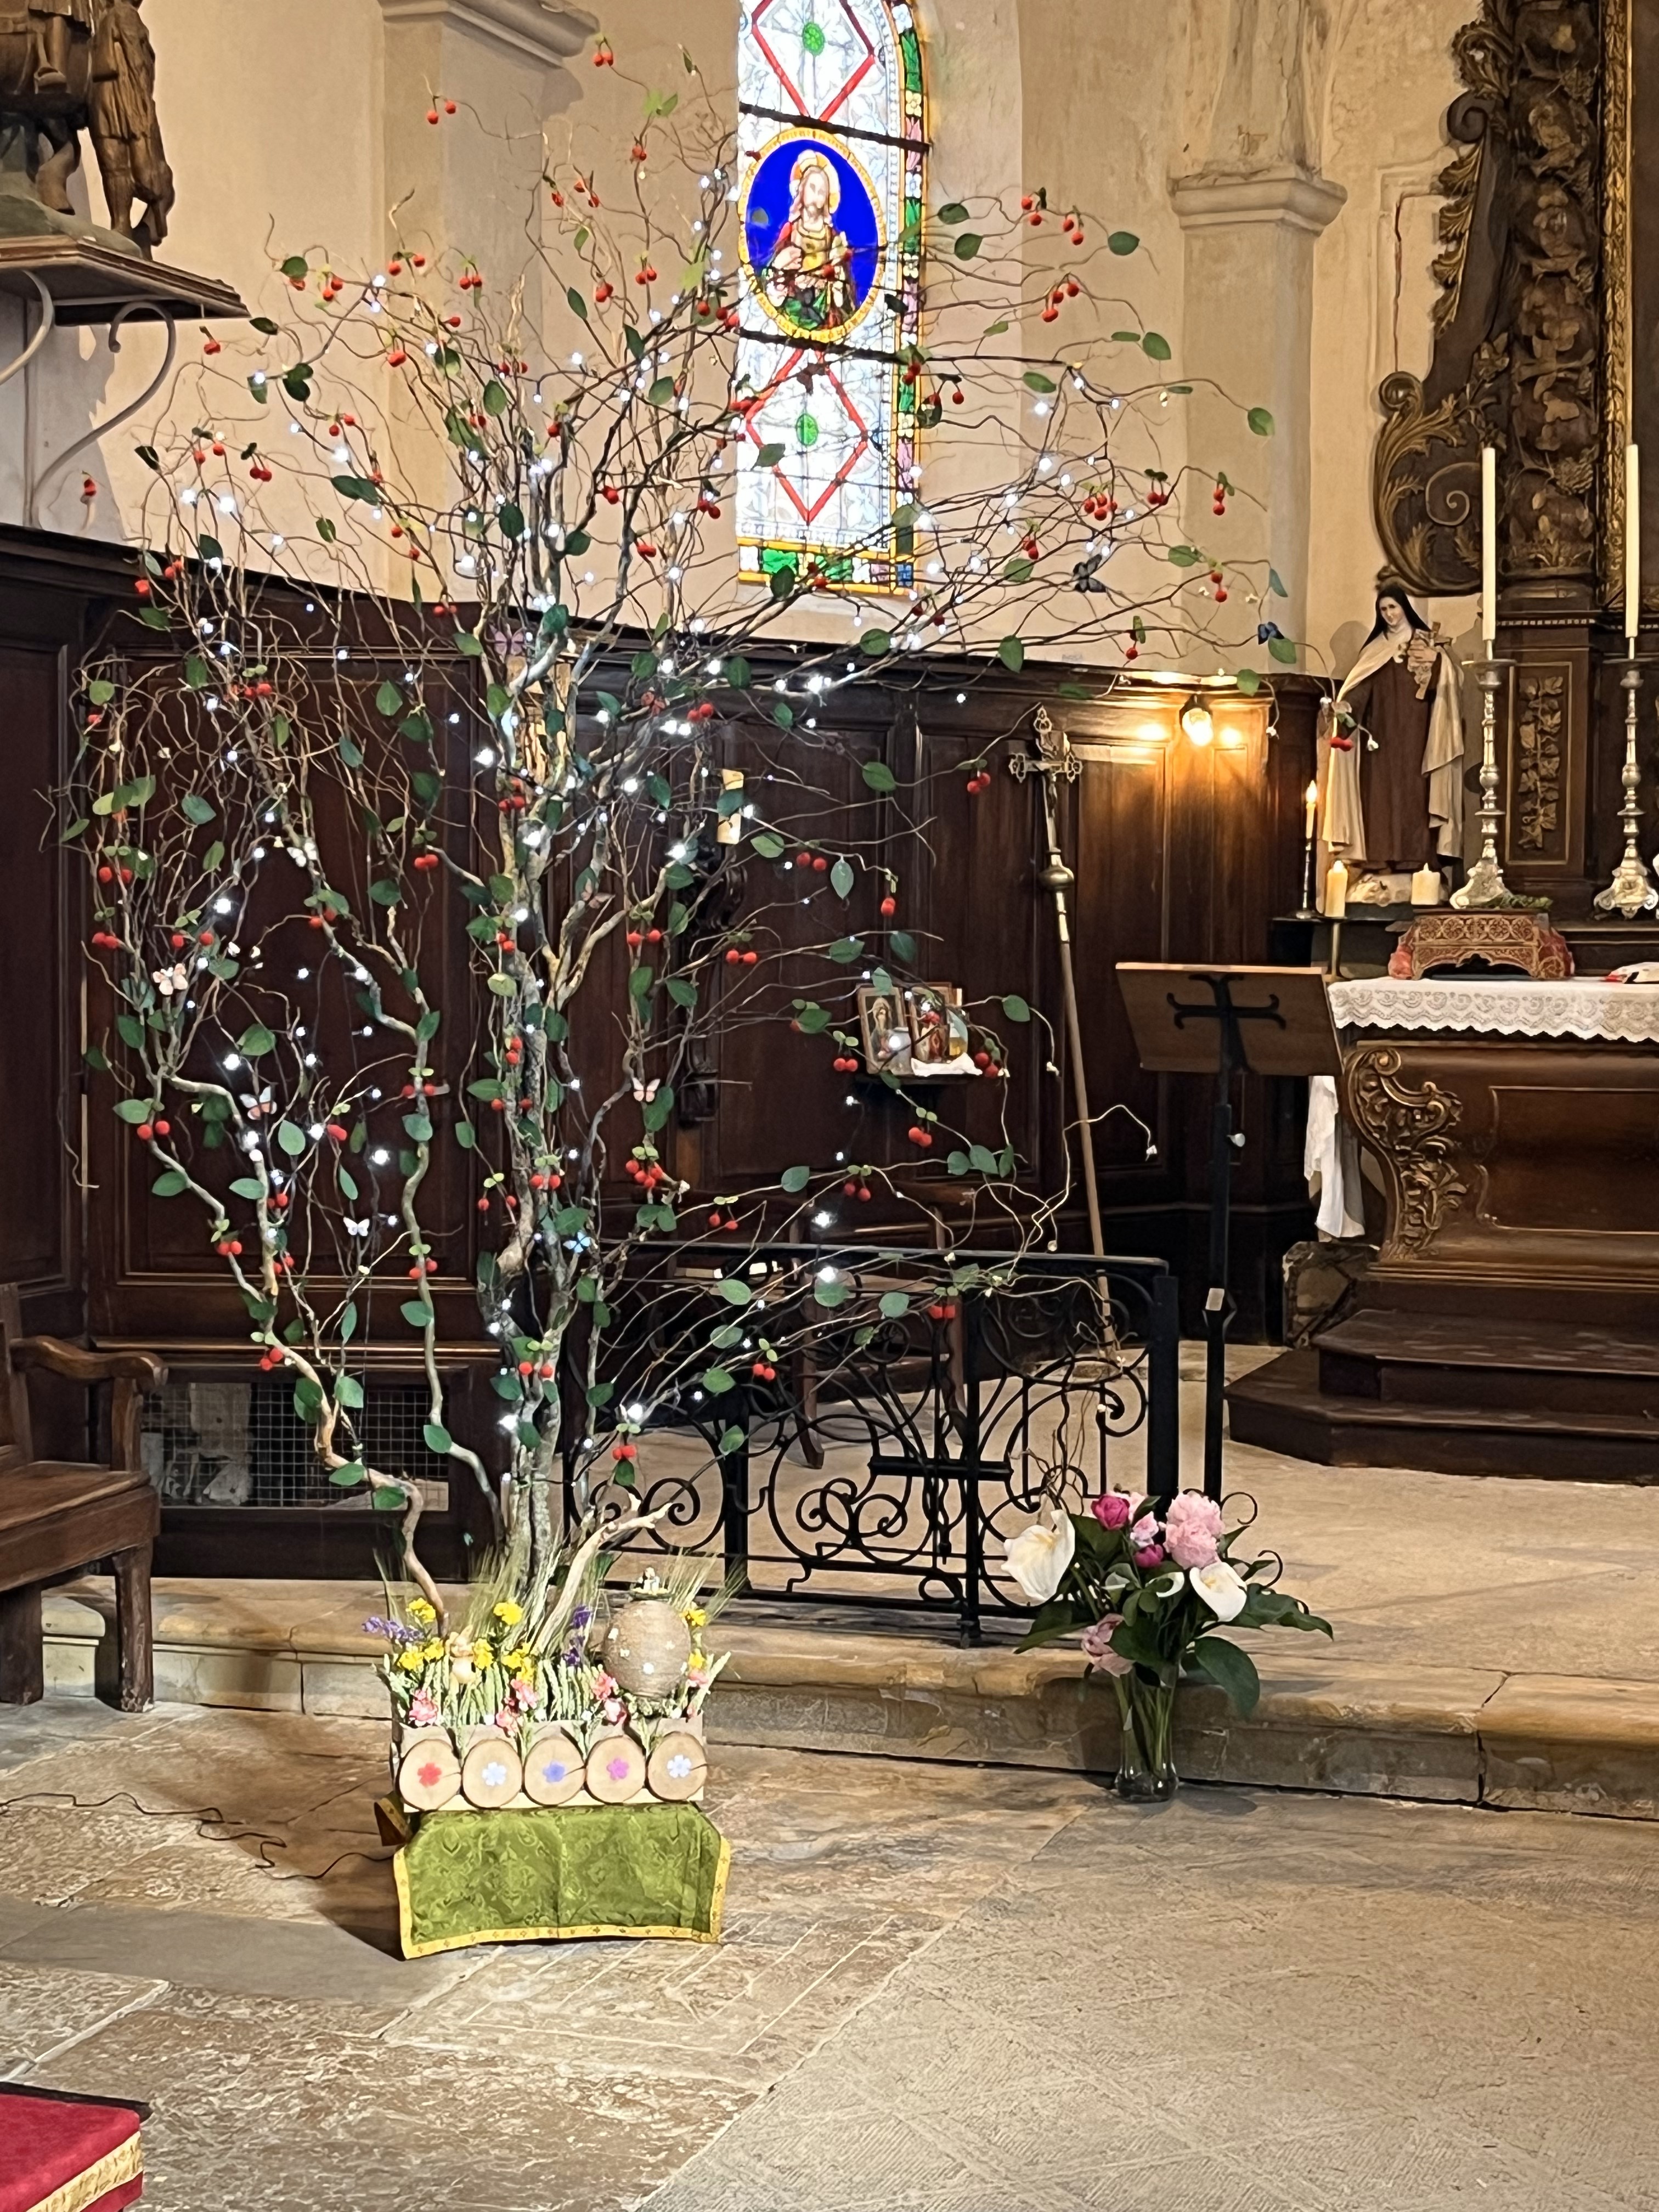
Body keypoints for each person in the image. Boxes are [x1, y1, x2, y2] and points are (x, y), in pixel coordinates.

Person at [1320, 583, 1465, 883]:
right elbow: (1360, 690)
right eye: (1383, 609)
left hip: (1417, 737)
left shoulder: (1425, 643)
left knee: (1415, 795)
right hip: (1380, 742)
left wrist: (1438, 662)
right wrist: (1347, 708)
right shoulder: (1375, 650)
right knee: (1378, 798)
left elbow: (1450, 685)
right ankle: (1379, 859)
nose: (1389, 614)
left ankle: (1417, 859)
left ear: (1405, 608)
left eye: (1393, 607)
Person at [763, 151, 855, 332]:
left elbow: (844, 299)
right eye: (812, 187)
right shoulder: (790, 231)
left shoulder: (833, 238)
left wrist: (837, 280)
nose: (817, 194)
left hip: (823, 315)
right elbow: (769, 282)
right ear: (801, 190)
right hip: (790, 310)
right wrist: (779, 264)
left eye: (822, 191)